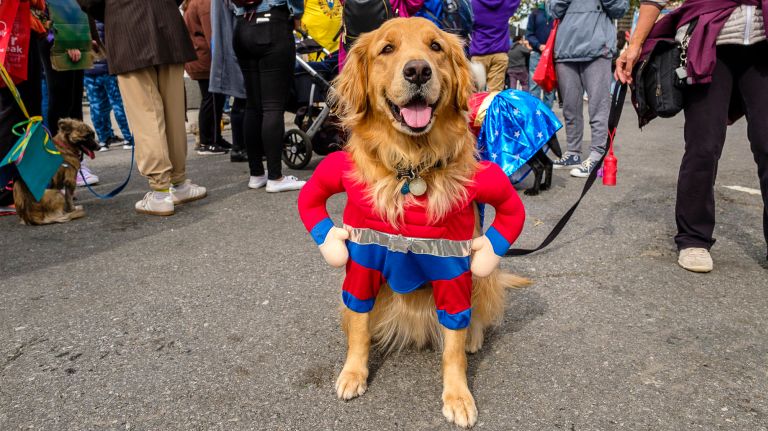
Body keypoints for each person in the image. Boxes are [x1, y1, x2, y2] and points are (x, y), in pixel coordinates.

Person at [616, 1, 767, 273]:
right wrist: (634, 45)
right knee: (703, 144)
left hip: (762, 42)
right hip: (710, 44)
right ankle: (693, 238)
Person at [77, 0, 207, 216]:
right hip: (166, 22)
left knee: (146, 113)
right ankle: (179, 182)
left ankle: (160, 191)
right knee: (173, 110)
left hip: (127, 25)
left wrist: (112, 9)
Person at [548, 0, 628, 177]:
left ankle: (598, 153)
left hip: (598, 49)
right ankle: (573, 152)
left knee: (598, 106)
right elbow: (552, 10)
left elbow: (620, 9)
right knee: (570, 107)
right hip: (565, 50)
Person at [232, 0, 307, 192]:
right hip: (273, 23)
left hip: (241, 25)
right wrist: (297, 14)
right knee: (273, 105)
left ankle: (256, 173)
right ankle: (275, 176)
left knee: (253, 104)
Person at [0, 0, 48, 211]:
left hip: (20, 33)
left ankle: (25, 184)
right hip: (10, 35)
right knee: (14, 113)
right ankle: (8, 189)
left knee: (25, 112)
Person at [184, 0, 231, 156]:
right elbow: (212, 33)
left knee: (213, 100)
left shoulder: (193, 2)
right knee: (212, 100)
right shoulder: (204, 3)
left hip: (200, 58)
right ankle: (207, 141)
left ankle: (215, 138)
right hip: (207, 59)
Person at [83, 20, 134, 152]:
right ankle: (128, 138)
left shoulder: (82, 21)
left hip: (88, 70)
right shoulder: (105, 20)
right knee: (117, 103)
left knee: (96, 107)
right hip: (107, 70)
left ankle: (103, 140)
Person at [209, 0, 248, 163]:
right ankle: (240, 147)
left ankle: (241, 147)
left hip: (232, 42)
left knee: (242, 99)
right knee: (243, 98)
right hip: (235, 43)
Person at [469, 0, 521, 92]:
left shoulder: (473, 3)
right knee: (494, 93)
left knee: (473, 92)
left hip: (478, 52)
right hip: (499, 53)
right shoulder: (506, 4)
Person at [525, 1, 555, 108]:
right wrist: (538, 45)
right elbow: (529, 34)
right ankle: (535, 113)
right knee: (534, 85)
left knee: (549, 86)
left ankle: (547, 114)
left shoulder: (557, 12)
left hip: (552, 55)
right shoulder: (535, 13)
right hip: (537, 54)